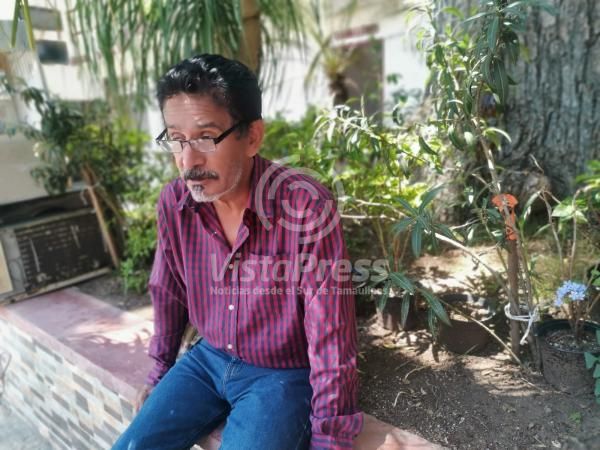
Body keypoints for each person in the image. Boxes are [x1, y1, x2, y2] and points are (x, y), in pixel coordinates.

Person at [112, 54, 363, 450]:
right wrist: (160, 372)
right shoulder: (175, 203)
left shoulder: (304, 206)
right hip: (206, 360)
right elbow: (168, 289)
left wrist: (330, 439)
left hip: (280, 374)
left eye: (206, 137)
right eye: (176, 139)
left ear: (252, 137)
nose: (188, 161)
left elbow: (331, 332)